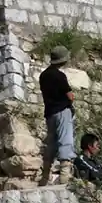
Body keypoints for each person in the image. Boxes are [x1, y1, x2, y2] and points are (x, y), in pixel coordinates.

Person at [39, 45, 76, 183]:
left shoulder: (43, 75)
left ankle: (45, 176)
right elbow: (70, 96)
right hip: (62, 111)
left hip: (49, 113)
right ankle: (64, 176)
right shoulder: (60, 76)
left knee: (51, 143)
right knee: (66, 140)